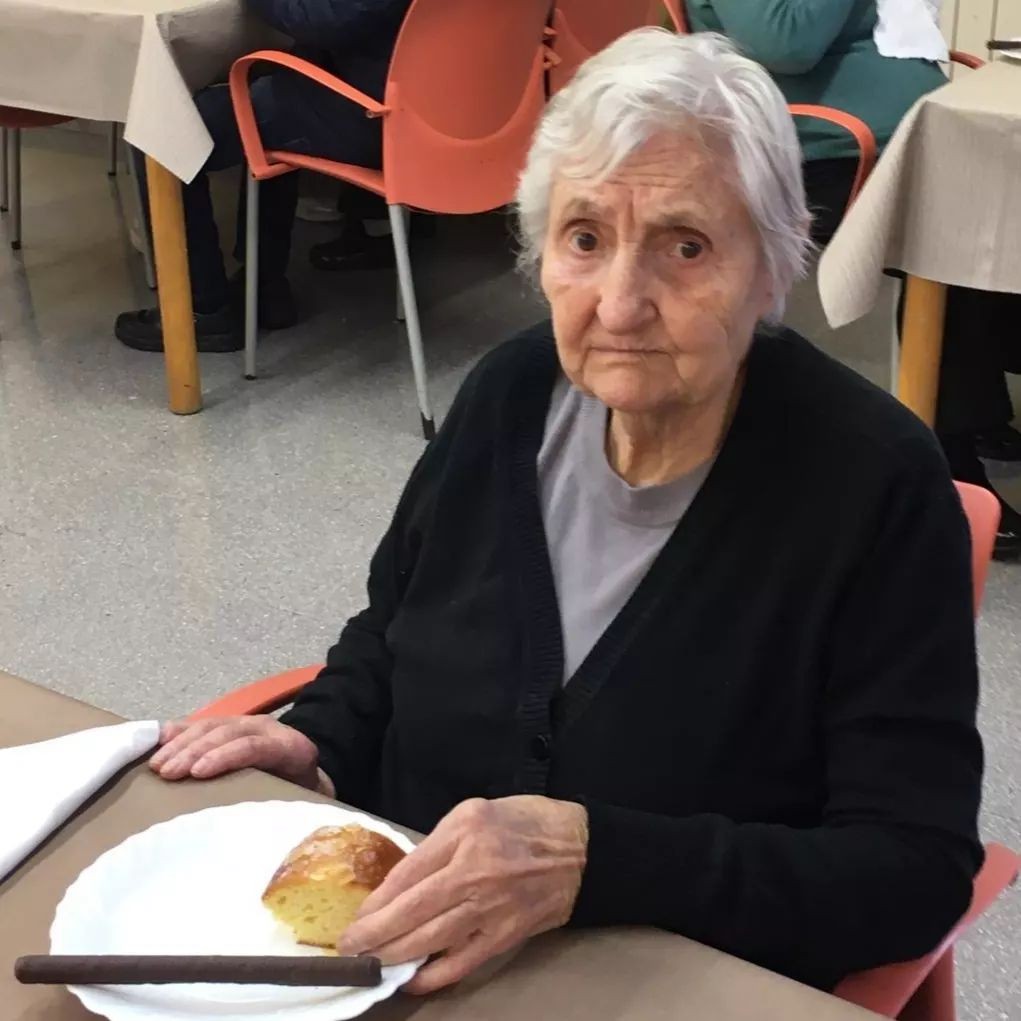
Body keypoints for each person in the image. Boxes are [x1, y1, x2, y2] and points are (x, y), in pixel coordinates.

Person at [149, 30, 983, 997]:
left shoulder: (874, 484)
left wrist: (595, 859)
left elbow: (910, 868)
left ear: (771, 265)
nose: (619, 306)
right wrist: (323, 744)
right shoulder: (508, 394)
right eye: (584, 238)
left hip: (666, 991)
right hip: (395, 962)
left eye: (685, 246)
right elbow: (392, 630)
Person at [684, 0, 1021, 559]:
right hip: (812, 151)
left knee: (996, 186)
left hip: (887, 141)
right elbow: (784, 40)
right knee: (962, 209)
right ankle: (948, 460)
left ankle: (977, 405)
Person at [114, 0, 412, 354]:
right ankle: (265, 284)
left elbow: (324, 20)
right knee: (270, 88)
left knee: (162, 132)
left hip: (373, 115)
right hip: (431, 110)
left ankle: (201, 310)